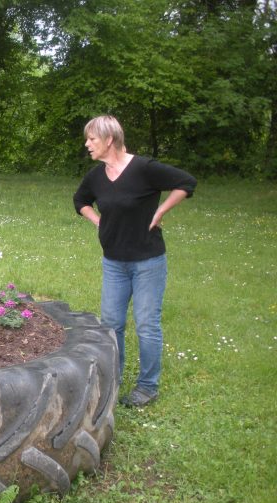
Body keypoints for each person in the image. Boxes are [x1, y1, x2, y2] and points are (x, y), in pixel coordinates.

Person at [73, 115, 197, 407]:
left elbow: (186, 182)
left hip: (147, 262)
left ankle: (147, 386)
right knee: (112, 324)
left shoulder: (144, 169)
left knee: (146, 325)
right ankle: (112, 380)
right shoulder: (96, 176)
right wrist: (98, 221)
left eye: (92, 138)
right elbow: (80, 201)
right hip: (114, 263)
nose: (87, 143)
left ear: (109, 139)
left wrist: (161, 210)